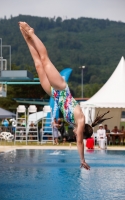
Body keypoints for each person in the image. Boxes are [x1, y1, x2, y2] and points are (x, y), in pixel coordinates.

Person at [18, 22, 111, 170]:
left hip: (53, 93)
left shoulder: (73, 123)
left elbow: (78, 138)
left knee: (37, 65)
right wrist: (82, 160)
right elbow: (79, 142)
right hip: (61, 88)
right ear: (83, 131)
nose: (75, 135)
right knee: (44, 59)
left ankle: (26, 36)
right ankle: (32, 32)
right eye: (78, 134)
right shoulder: (80, 120)